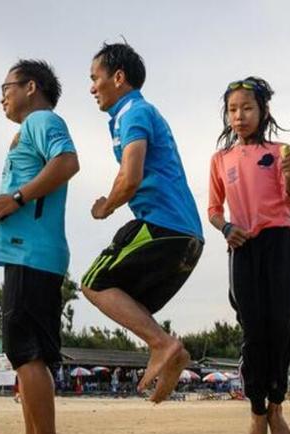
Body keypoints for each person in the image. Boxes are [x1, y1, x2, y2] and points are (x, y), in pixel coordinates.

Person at [0, 59, 79, 434]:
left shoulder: (42, 119)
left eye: (5, 87)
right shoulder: (27, 130)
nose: (1, 97)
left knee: (28, 354)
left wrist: (14, 197)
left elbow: (68, 163)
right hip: (23, 253)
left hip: (35, 258)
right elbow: (32, 201)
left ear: (30, 86)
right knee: (22, 354)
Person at [82, 42, 204, 403]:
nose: (91, 88)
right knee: (128, 301)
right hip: (188, 240)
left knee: (93, 283)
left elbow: (130, 175)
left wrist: (106, 205)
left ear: (118, 78)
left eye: (95, 78)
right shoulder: (137, 113)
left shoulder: (133, 113)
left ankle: (162, 344)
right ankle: (171, 354)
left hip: (163, 227)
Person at [208, 77, 290, 434]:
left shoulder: (279, 151)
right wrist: (227, 228)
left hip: (280, 240)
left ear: (262, 111)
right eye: (233, 109)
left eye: (247, 108)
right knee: (253, 331)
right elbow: (214, 212)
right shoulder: (220, 160)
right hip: (243, 246)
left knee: (280, 327)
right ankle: (256, 412)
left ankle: (277, 406)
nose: (240, 116)